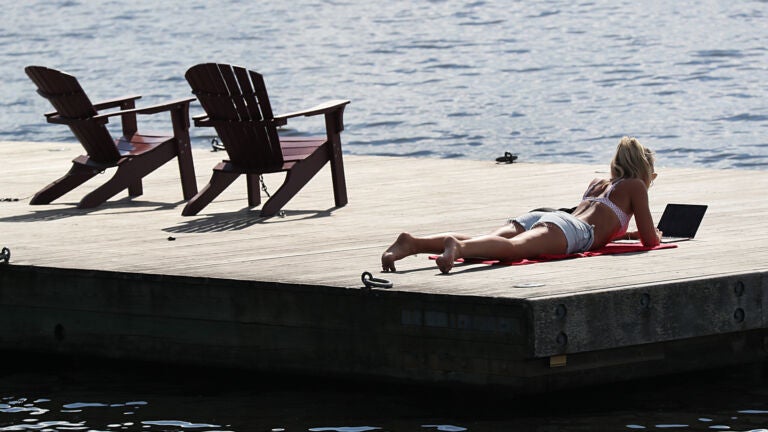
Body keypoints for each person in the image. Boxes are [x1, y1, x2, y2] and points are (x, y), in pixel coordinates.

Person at [381, 136, 662, 274]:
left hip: (548, 216)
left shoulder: (598, 182)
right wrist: (653, 236)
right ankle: (458, 247)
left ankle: (414, 243)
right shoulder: (635, 186)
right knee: (514, 250)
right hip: (571, 229)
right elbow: (651, 241)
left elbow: (601, 220)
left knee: (489, 241)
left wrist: (625, 235)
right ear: (643, 170)